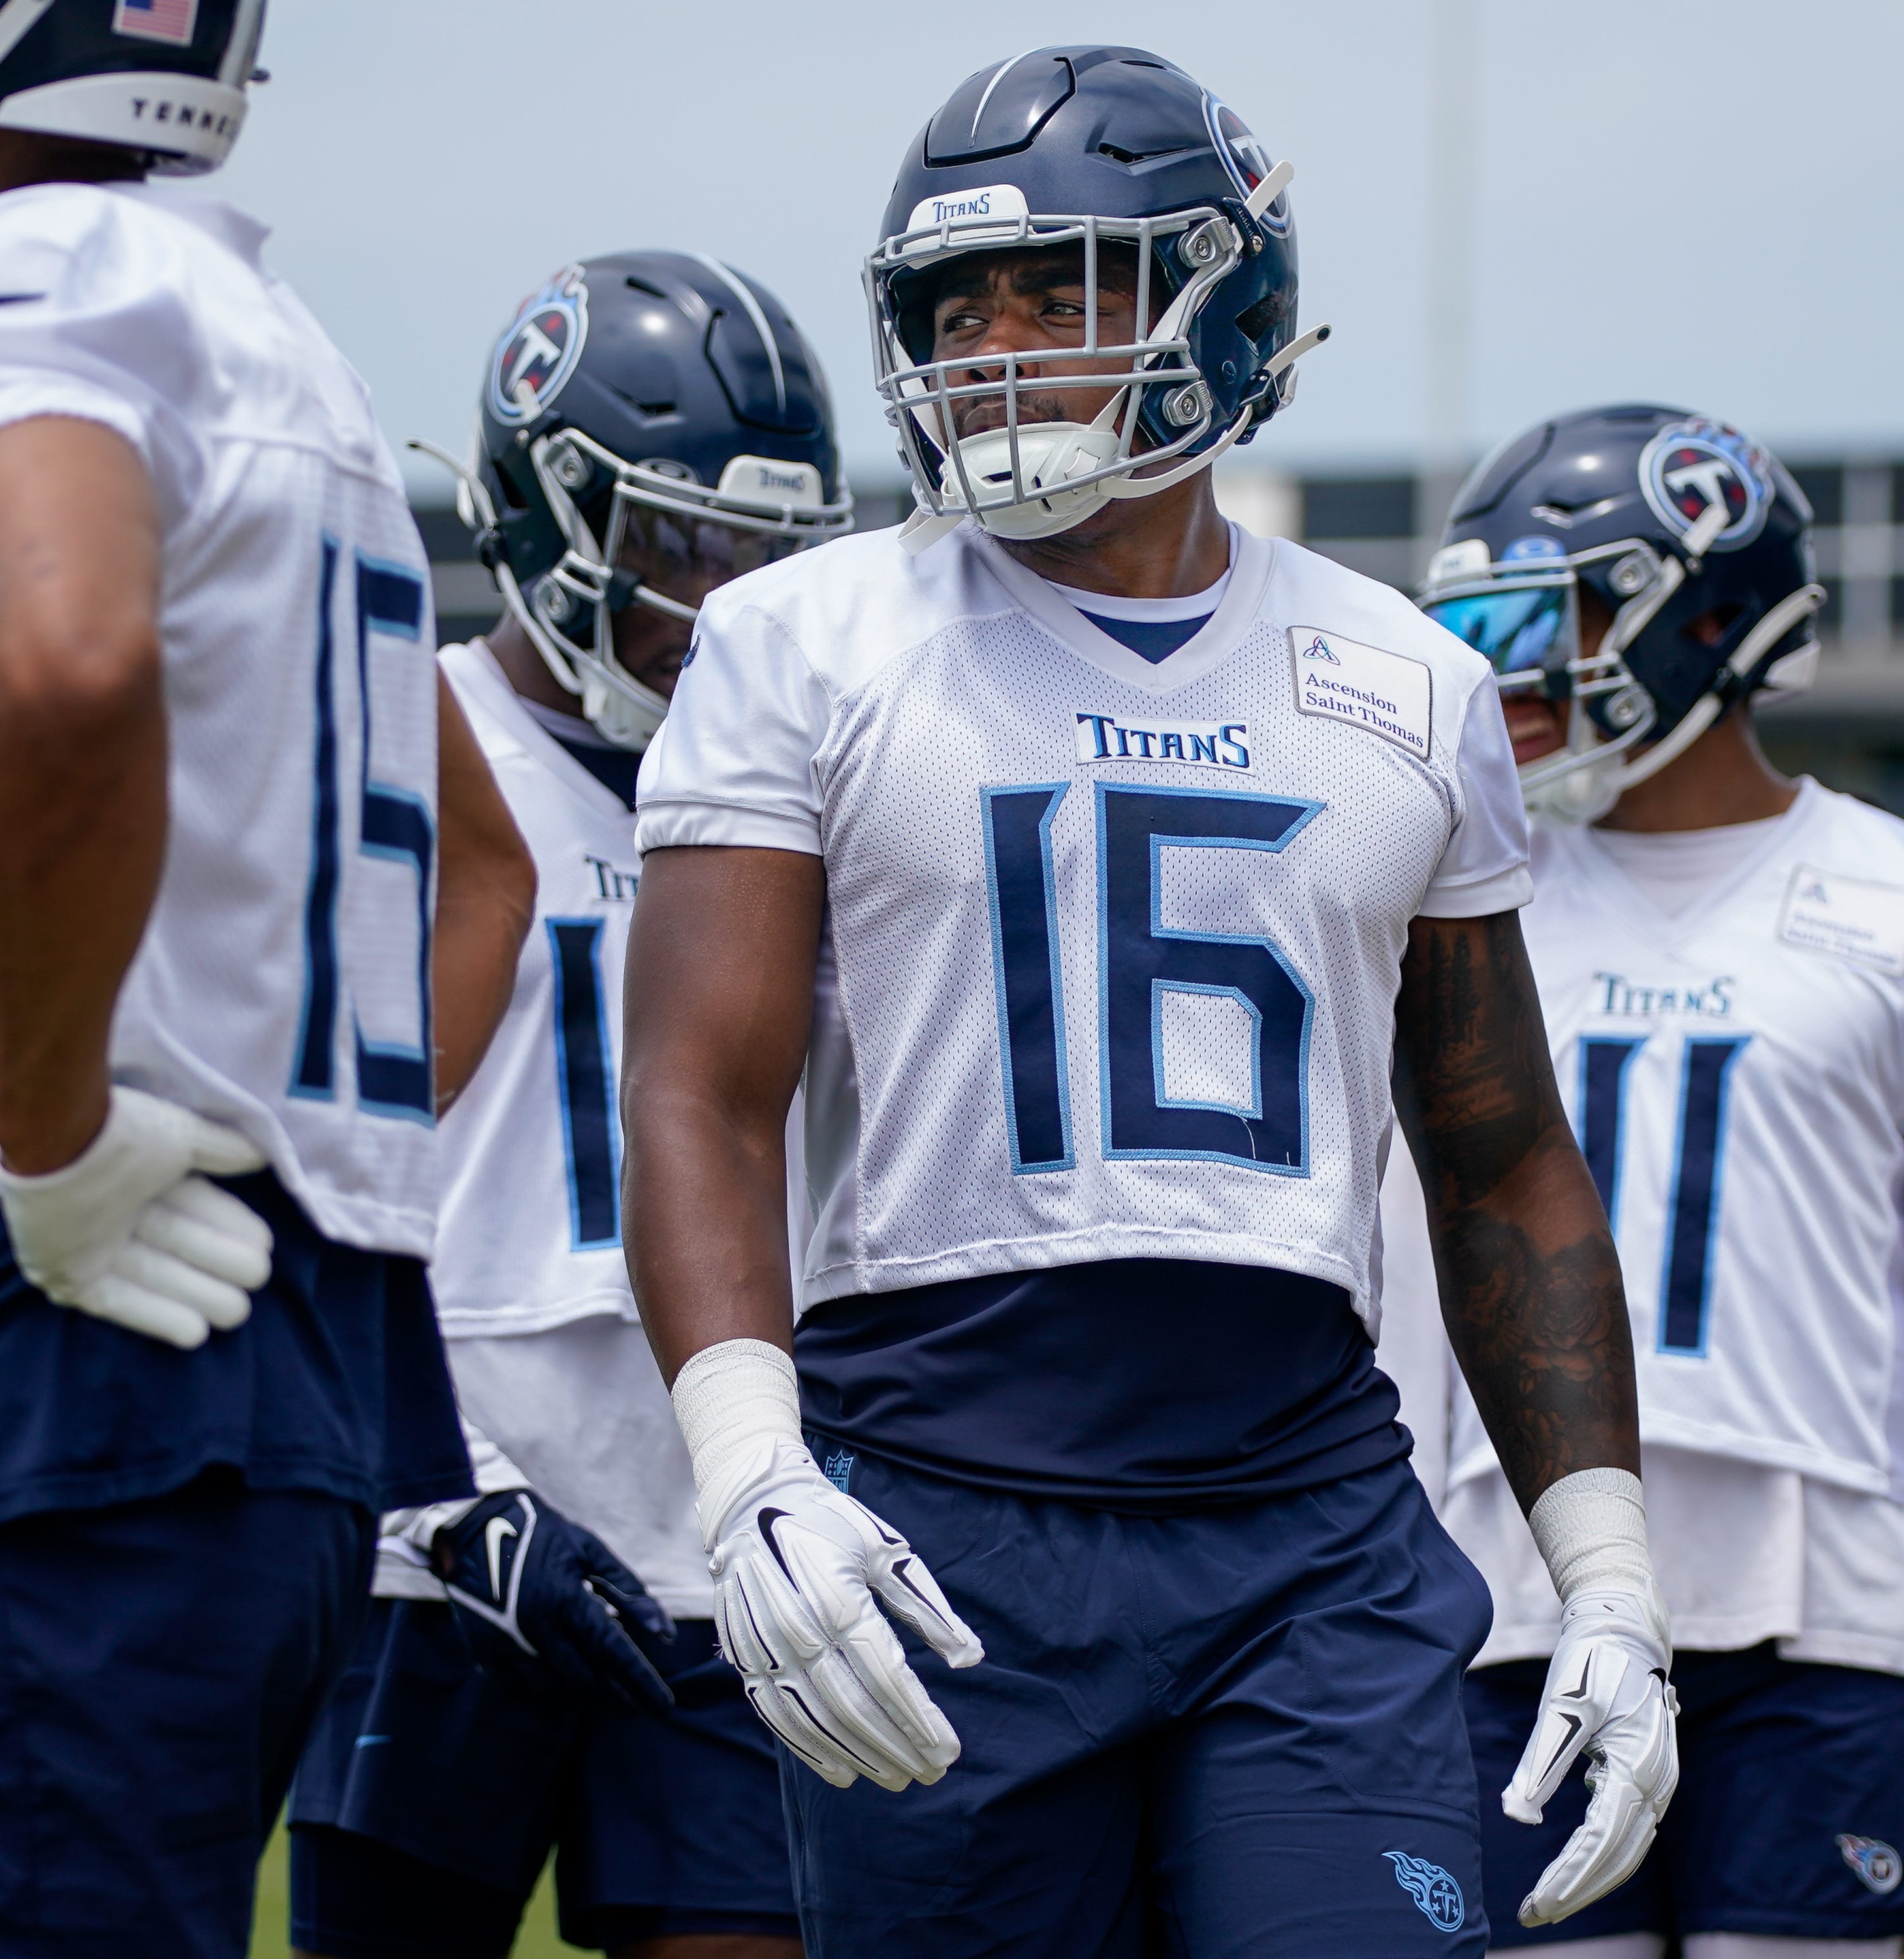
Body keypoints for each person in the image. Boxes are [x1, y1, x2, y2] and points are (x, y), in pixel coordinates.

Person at [618, 46, 1675, 1959]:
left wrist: (1603, 1573)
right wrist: (751, 1466)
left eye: (1060, 292)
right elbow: (701, 1086)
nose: (999, 350)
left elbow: (1506, 1158)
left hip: (1307, 1517)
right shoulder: (806, 637)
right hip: (943, 1498)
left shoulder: (1405, 681)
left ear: (1226, 298)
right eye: (960, 308)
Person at [0, 6, 536, 1953]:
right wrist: (272, 1141)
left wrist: (49, 1124)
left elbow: (62, 664)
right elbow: (485, 875)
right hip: (264, 1345)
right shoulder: (272, 341)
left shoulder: (10, 260)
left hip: (10, 1324)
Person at [1403, 404, 1904, 1959]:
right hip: (1510, 1593)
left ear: (1704, 612)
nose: (1507, 662)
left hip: (1831, 1610)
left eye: (1554, 608)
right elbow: (1403, 1281)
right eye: (1475, 619)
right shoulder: (1445, 894)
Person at [286, 250, 853, 1959]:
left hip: (724, 1539)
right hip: (434, 1530)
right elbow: (313, 1171)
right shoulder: (400, 750)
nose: (717, 601)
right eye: (680, 544)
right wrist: (424, 1486)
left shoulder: (801, 782)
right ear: (537, 515)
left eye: (761, 554)